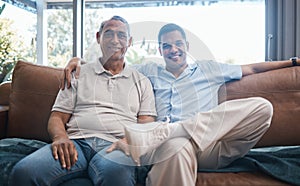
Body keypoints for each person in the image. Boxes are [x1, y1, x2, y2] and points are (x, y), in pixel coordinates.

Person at [63, 23, 299, 186]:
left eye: (178, 44)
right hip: (168, 147)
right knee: (177, 146)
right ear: (160, 50)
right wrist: (80, 61)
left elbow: (253, 69)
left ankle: (169, 130)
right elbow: (113, 65)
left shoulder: (209, 68)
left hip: (209, 145)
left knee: (262, 107)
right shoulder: (148, 71)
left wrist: (293, 61)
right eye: (166, 46)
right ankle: (169, 134)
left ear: (187, 45)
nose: (173, 50)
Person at [8, 15, 157, 186]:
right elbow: (57, 117)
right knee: (24, 172)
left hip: (115, 146)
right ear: (98, 38)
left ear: (129, 41)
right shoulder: (77, 74)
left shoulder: (142, 81)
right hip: (75, 143)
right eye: (108, 34)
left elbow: (146, 123)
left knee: (116, 175)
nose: (115, 40)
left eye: (121, 35)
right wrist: (60, 137)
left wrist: (129, 141)